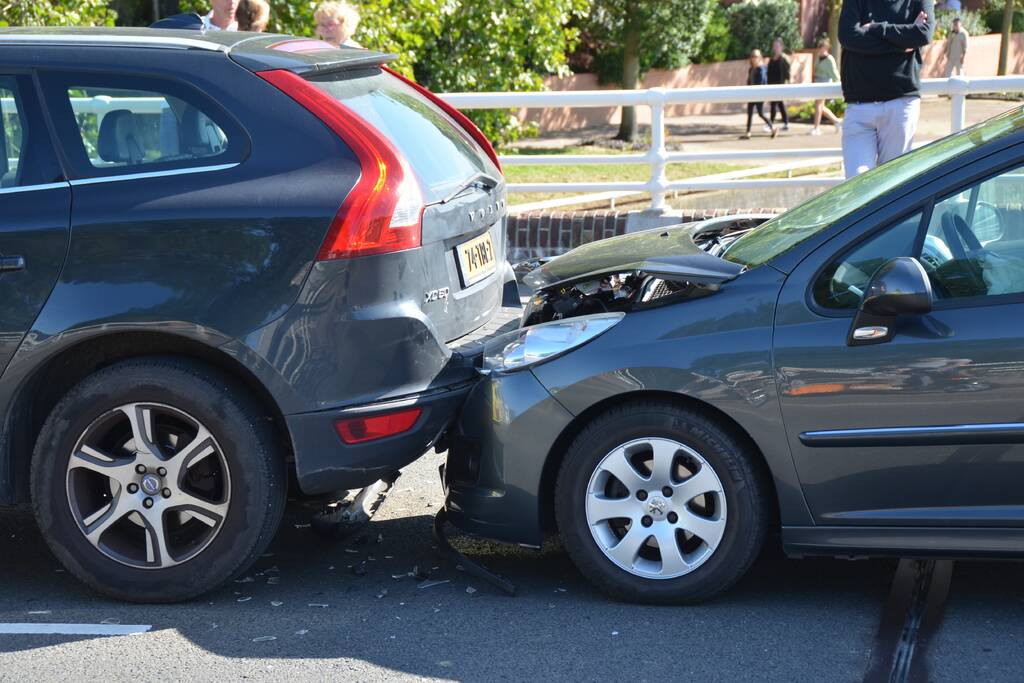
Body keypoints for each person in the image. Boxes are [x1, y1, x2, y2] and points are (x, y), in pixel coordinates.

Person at [839, 0, 935, 178]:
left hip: (901, 103)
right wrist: (903, 42)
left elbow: (923, 34)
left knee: (892, 183)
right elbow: (848, 36)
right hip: (859, 106)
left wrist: (875, 28)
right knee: (856, 184)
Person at [742, 49, 777, 140]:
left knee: (760, 113)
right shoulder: (751, 69)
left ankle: (773, 128)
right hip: (751, 94)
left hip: (758, 94)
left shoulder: (761, 69)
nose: (754, 58)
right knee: (749, 113)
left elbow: (762, 82)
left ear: (760, 57)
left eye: (756, 56)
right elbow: (749, 81)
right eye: (753, 56)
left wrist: (762, 94)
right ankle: (748, 132)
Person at [811, 38, 842, 136]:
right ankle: (836, 121)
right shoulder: (818, 57)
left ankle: (816, 128)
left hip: (825, 83)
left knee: (818, 105)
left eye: (822, 47)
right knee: (820, 106)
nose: (820, 49)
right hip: (817, 83)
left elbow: (835, 73)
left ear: (826, 48)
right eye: (819, 47)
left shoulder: (830, 59)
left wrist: (838, 85)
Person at [767, 38, 791, 132]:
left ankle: (773, 123)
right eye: (774, 46)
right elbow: (769, 73)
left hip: (780, 86)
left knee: (777, 104)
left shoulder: (784, 59)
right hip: (772, 86)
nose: (776, 48)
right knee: (776, 104)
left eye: (777, 46)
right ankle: (783, 123)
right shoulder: (771, 59)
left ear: (781, 47)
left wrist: (787, 84)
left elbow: (787, 73)